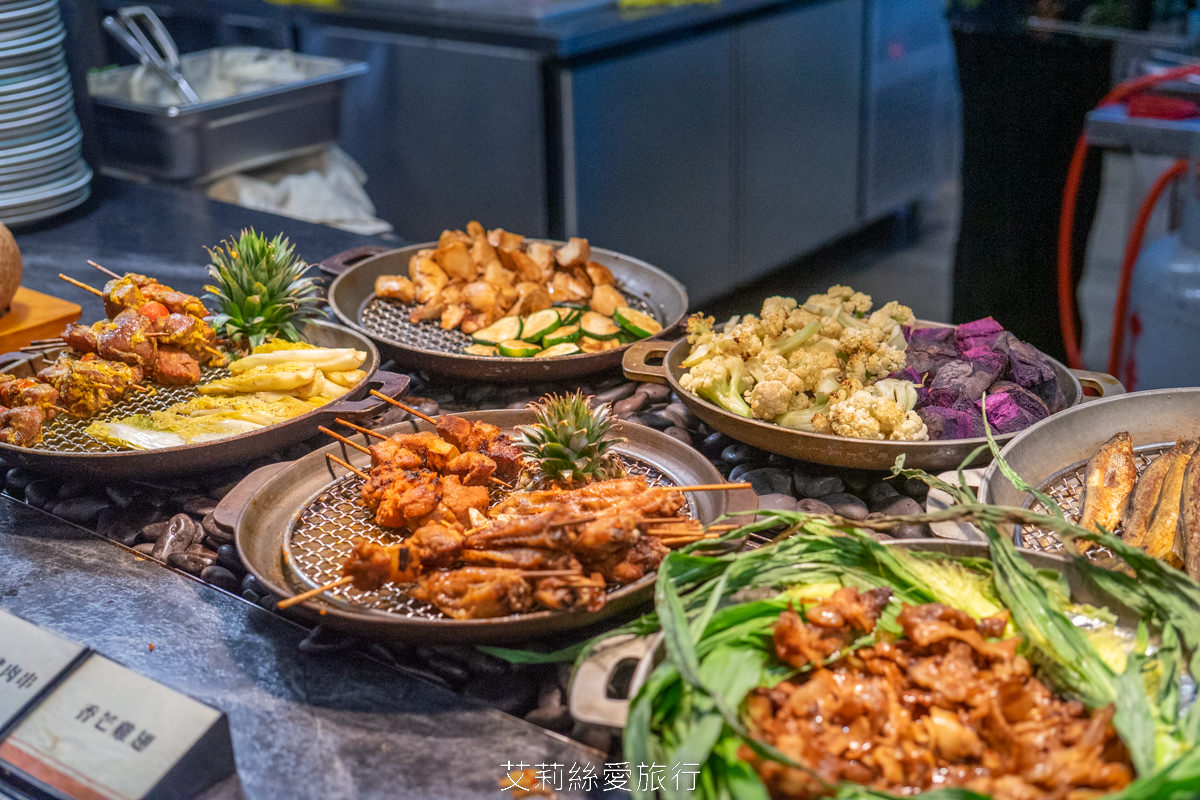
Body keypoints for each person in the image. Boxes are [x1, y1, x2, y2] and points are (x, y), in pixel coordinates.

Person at [946, 0, 1184, 362]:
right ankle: (980, 365)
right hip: (1006, 33)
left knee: (1055, 223)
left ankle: (1042, 363)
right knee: (999, 217)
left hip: (1075, 37)